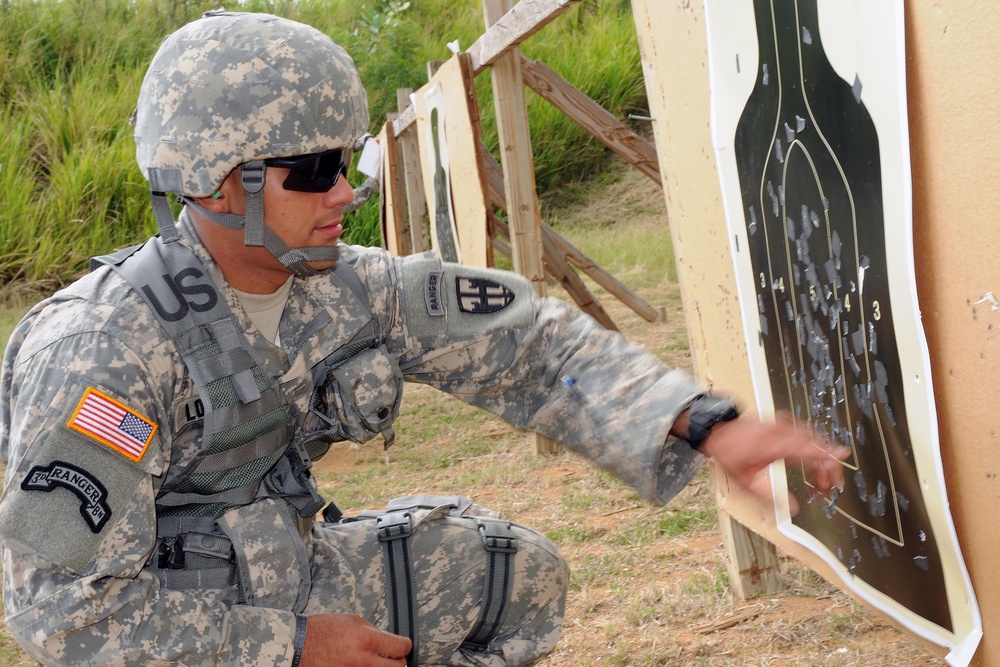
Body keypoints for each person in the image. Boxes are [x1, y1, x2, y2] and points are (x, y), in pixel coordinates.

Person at [0, 11, 849, 667]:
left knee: (507, 571)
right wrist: (288, 646)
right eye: (317, 169)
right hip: (183, 636)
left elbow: (531, 343)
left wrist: (703, 421)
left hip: (285, 573)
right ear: (224, 184)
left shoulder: (340, 285)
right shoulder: (103, 349)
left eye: (352, 159)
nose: (347, 191)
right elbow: (60, 612)